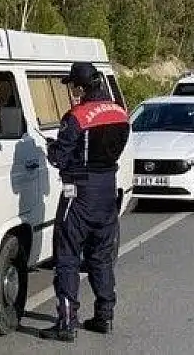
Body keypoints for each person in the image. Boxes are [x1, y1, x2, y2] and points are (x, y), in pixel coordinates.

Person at [39, 61, 131, 342]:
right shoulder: (120, 113)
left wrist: (51, 147)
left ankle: (67, 323)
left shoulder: (77, 116)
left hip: (79, 193)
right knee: (101, 257)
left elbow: (60, 157)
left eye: (72, 86)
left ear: (80, 86)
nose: (71, 91)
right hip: (108, 191)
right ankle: (105, 316)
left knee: (67, 257)